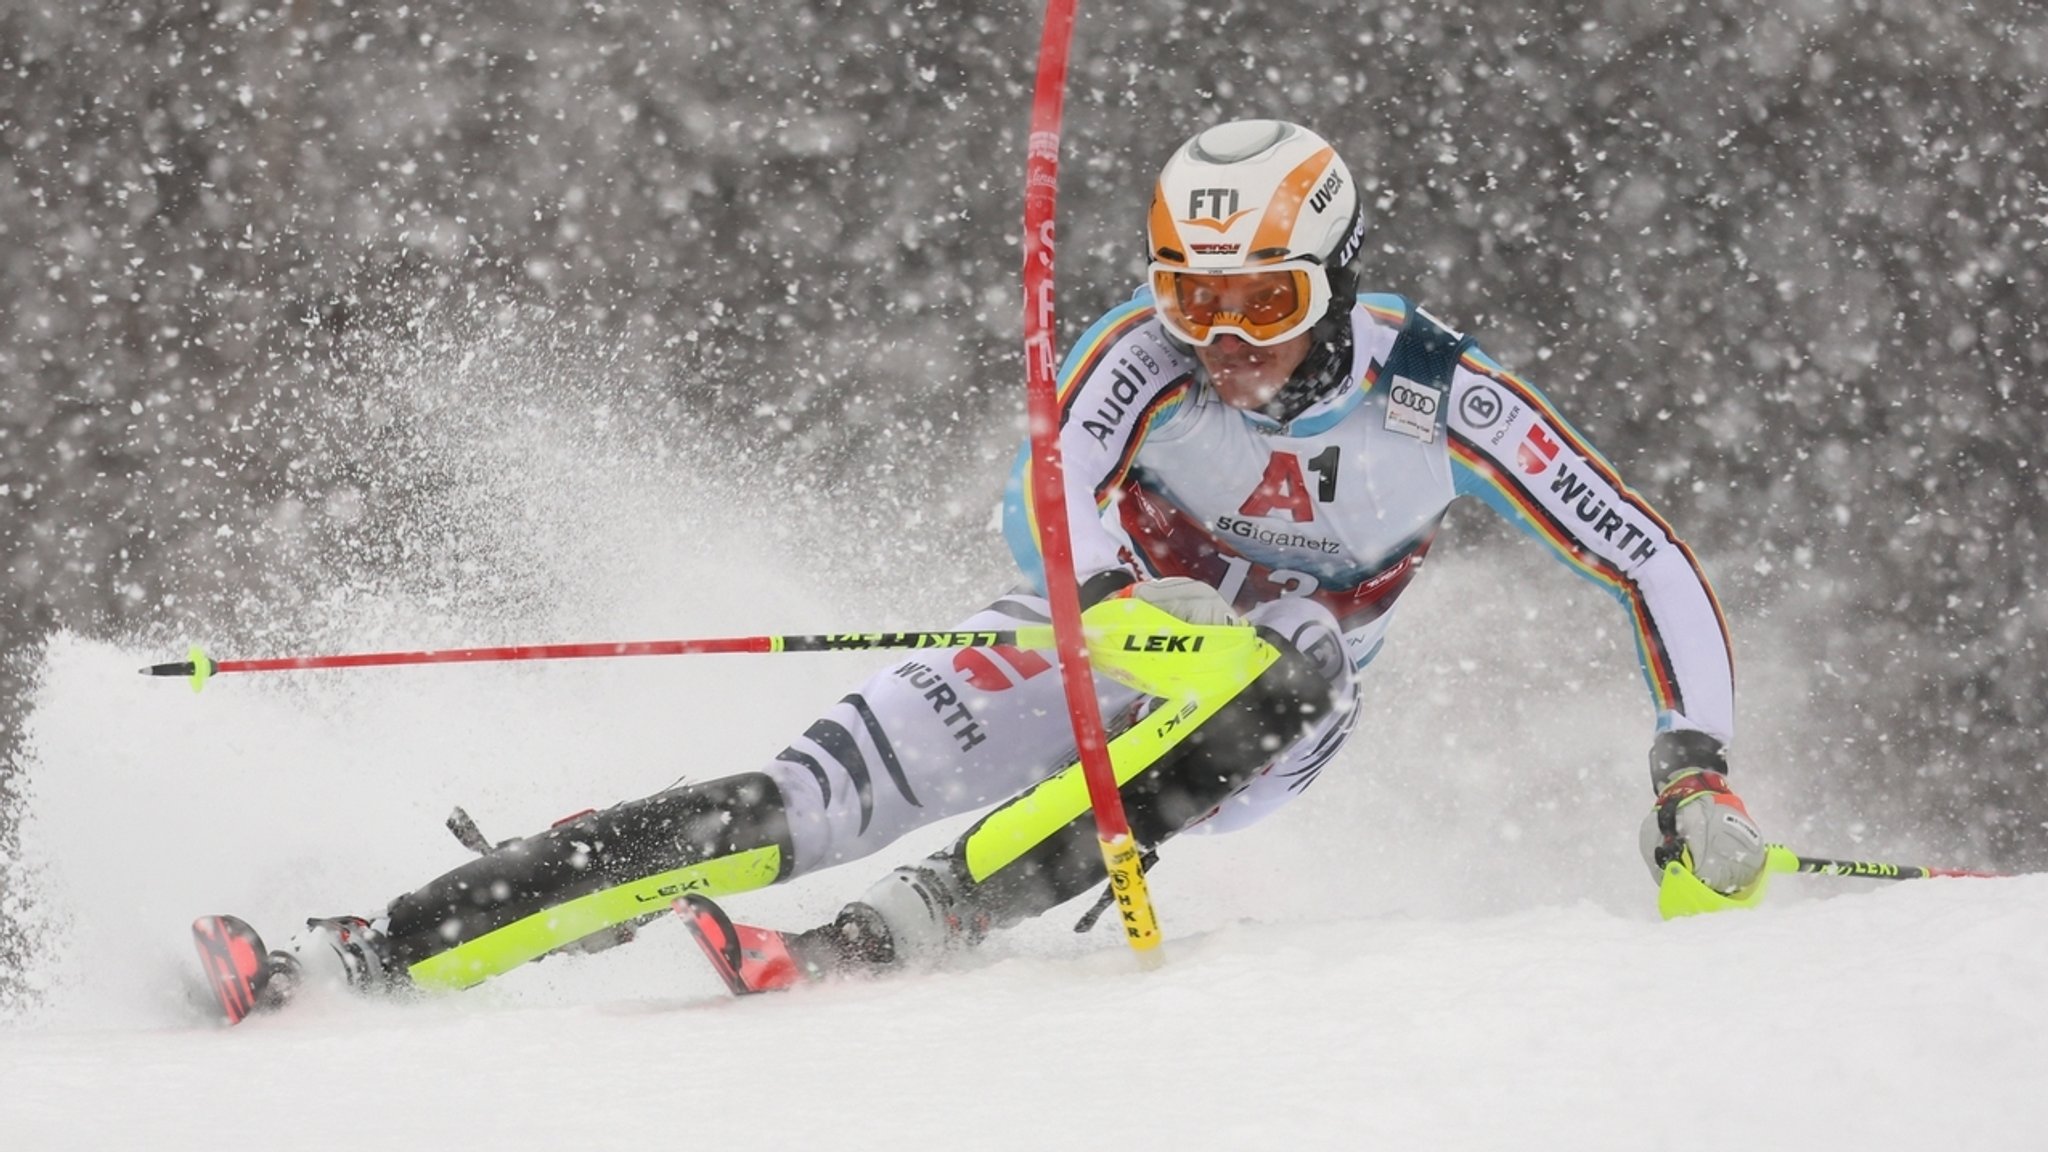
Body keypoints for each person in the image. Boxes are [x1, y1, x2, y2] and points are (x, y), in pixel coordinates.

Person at [203, 119, 1762, 1015]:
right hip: (1090, 636)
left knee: (1282, 658)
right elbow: (1059, 485)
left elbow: (1647, 562)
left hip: (1265, 708)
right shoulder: (1134, 358)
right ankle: (369, 951)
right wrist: (1100, 598)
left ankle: (932, 913)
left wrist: (1693, 768)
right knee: (782, 807)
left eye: (1265, 299)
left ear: (1336, 277)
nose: (1223, 342)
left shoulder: (1440, 393)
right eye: (1190, 296)